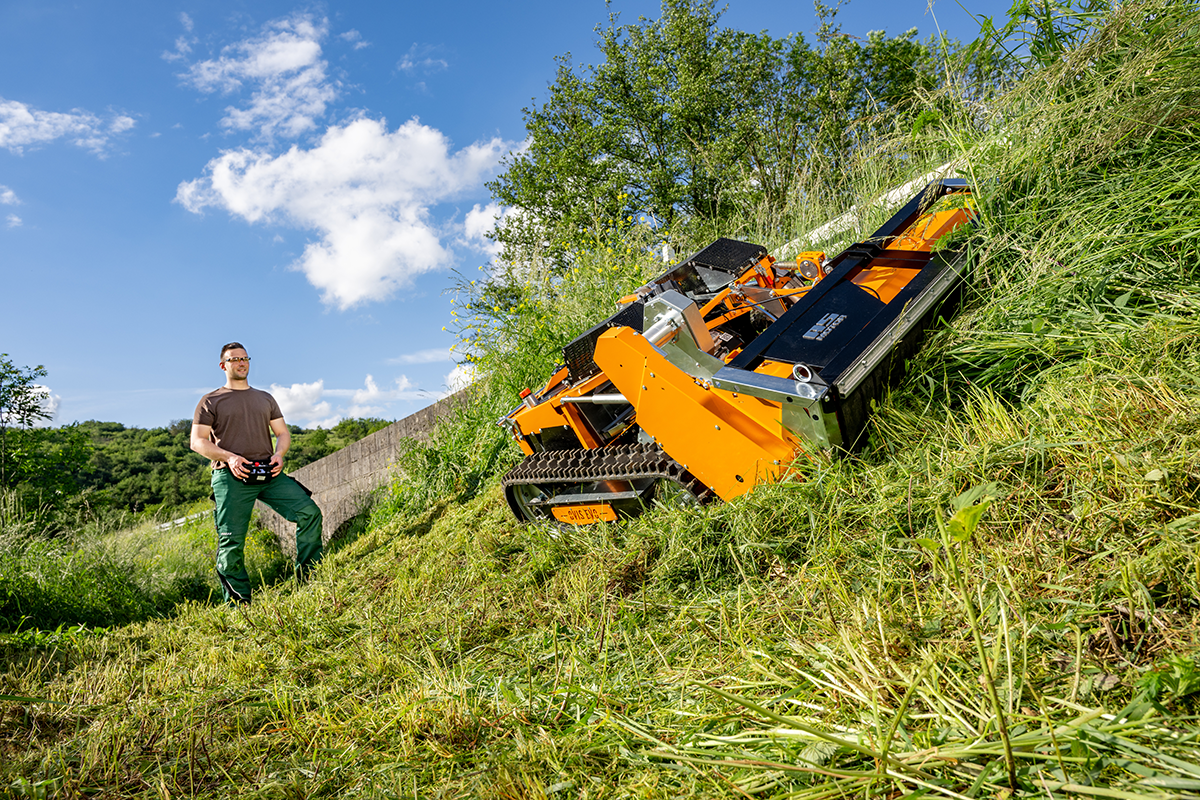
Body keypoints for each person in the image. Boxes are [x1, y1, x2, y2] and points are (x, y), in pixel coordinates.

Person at [190, 342, 322, 604]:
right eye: (234, 359)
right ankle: (239, 604)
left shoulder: (265, 398)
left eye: (245, 358)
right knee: (232, 541)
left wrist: (279, 454)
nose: (241, 363)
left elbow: (282, 433)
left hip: (268, 472)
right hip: (231, 477)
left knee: (309, 513)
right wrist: (230, 457)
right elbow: (197, 442)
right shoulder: (210, 400)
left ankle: (309, 579)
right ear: (223, 365)